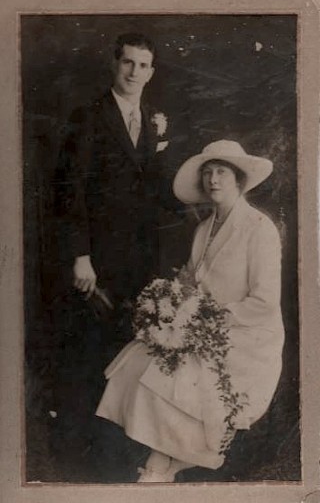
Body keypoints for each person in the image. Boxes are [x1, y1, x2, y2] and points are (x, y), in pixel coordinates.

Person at [95, 139, 285, 482]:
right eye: (208, 173)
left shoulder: (259, 228)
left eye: (222, 172)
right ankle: (163, 460)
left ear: (239, 180)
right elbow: (190, 281)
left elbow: (265, 302)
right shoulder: (203, 229)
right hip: (200, 325)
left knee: (176, 371)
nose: (213, 180)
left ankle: (162, 465)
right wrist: (170, 306)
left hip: (248, 336)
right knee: (142, 356)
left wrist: (205, 319)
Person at [52, 32, 168, 471]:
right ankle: (87, 458)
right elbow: (70, 193)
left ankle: (127, 450)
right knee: (94, 351)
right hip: (98, 260)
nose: (135, 72)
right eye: (128, 63)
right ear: (113, 64)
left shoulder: (154, 119)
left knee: (134, 350)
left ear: (151, 72)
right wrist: (80, 255)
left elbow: (155, 186)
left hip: (141, 259)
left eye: (143, 66)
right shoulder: (88, 117)